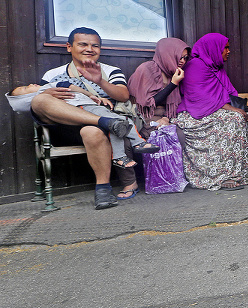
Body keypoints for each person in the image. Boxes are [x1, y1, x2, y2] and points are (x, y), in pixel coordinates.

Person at [30, 27, 139, 209]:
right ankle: (106, 122)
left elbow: (123, 95)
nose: (89, 49)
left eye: (95, 45)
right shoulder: (52, 75)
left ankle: (103, 188)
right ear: (69, 47)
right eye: (83, 44)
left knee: (91, 131)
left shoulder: (110, 71)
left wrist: (100, 82)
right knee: (39, 99)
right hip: (65, 125)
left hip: (100, 127)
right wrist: (47, 91)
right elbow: (34, 103)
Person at [175, 33, 248, 190]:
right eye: (225, 48)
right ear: (213, 49)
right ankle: (229, 175)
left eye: (228, 48)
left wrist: (236, 108)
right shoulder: (194, 67)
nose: (228, 51)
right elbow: (201, 98)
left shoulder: (216, 67)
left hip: (218, 109)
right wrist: (232, 109)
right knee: (236, 119)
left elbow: (227, 93)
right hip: (198, 114)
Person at [12, 82, 156, 169]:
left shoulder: (50, 85)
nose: (30, 84)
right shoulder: (42, 96)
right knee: (115, 124)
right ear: (25, 98)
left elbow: (70, 86)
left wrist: (90, 95)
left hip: (90, 104)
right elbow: (67, 91)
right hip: (80, 109)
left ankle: (134, 147)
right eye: (25, 88)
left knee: (120, 123)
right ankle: (122, 154)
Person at [128, 37, 190, 136]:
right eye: (179, 57)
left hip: (166, 117)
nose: (183, 61)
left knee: (181, 135)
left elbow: (175, 105)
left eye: (185, 58)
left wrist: (166, 118)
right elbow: (147, 105)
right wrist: (173, 84)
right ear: (168, 54)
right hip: (144, 117)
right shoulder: (147, 69)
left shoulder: (174, 72)